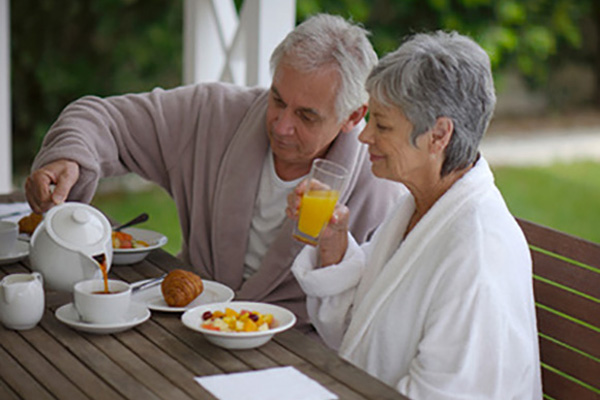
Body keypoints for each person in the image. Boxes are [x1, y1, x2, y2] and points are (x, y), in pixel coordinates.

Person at [24, 14, 404, 330]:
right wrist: (69, 158)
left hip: (297, 357)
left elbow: (368, 323)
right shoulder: (213, 115)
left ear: (353, 117)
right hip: (182, 326)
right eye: (277, 100)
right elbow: (100, 118)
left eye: (306, 116)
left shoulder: (382, 187)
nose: (281, 125)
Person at [287, 31, 542, 397]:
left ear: (439, 135)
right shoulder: (418, 207)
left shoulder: (479, 255)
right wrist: (333, 246)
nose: (364, 135)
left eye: (383, 125)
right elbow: (360, 333)